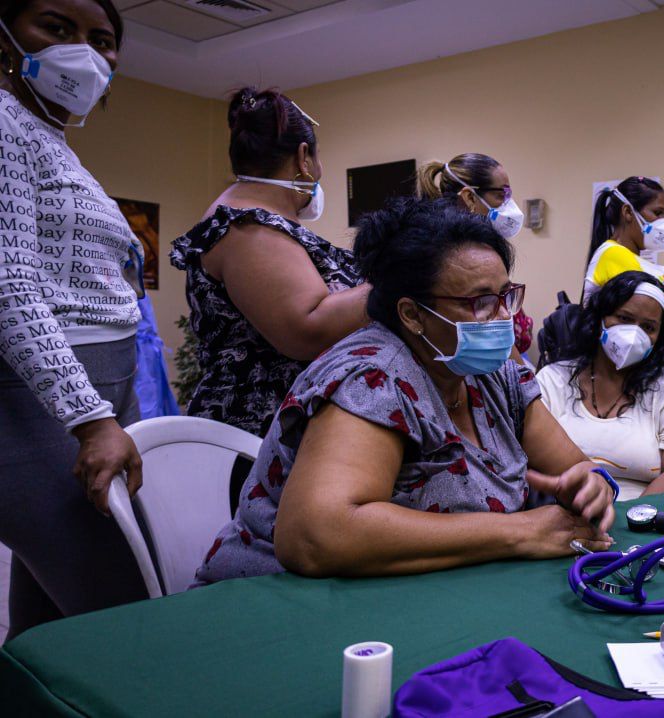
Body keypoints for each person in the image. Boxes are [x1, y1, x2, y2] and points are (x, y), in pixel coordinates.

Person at [194, 199, 615, 585]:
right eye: (480, 302)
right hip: (280, 601)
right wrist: (519, 532)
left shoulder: (495, 375)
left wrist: (592, 485)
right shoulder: (372, 378)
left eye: (507, 296)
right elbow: (315, 537)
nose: (503, 316)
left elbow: (576, 468)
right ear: (412, 314)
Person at [0, 0, 152, 638]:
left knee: (45, 630)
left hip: (99, 388)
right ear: (6, 39)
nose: (86, 52)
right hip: (48, 400)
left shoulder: (49, 139)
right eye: (57, 28)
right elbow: (9, 284)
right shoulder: (4, 122)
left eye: (102, 39)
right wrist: (90, 420)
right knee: (125, 615)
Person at [170, 87, 368, 437]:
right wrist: (400, 283)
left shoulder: (255, 222)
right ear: (304, 157)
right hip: (262, 434)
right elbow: (305, 331)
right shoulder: (248, 228)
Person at [537, 272, 664, 500]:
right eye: (624, 318)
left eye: (648, 327)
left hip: (645, 514)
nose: (633, 334)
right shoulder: (554, 379)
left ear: (660, 337)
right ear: (599, 318)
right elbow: (532, 456)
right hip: (561, 507)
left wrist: (626, 515)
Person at [418, 152, 532, 365]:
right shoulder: (440, 254)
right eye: (502, 194)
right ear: (470, 197)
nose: (509, 204)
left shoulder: (488, 251)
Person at [584, 176, 664, 336]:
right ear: (627, 212)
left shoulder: (639, 262)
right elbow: (656, 317)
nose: (663, 222)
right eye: (657, 213)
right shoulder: (613, 254)